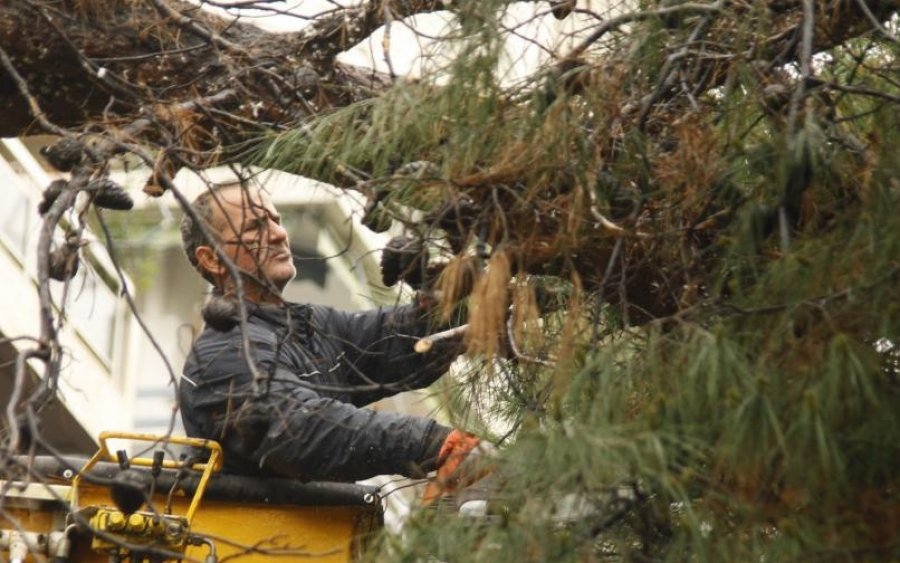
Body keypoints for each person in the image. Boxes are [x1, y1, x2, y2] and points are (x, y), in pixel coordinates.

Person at [179, 183, 486, 485]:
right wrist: (431, 443)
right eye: (255, 227)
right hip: (267, 535)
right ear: (212, 258)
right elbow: (305, 429)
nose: (278, 234)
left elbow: (390, 341)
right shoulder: (222, 355)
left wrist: (453, 298)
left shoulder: (309, 326)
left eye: (276, 220)